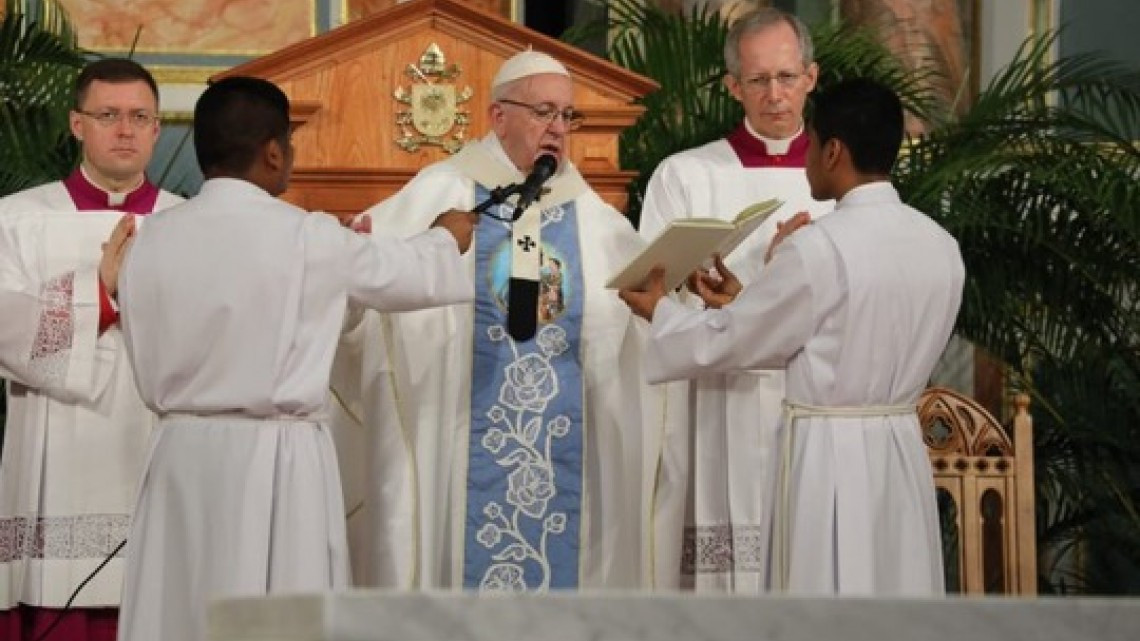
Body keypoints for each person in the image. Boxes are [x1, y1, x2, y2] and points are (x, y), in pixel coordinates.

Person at [113, 76, 477, 641]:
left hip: (179, 457)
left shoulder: (151, 239)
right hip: (274, 460)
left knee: (179, 608)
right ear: (275, 151)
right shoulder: (306, 235)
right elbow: (405, 277)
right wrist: (446, 237)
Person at [339, 49, 669, 591]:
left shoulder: (589, 213)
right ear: (498, 116)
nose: (558, 129)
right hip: (461, 441)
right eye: (544, 112)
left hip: (562, 459)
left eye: (567, 116)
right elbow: (367, 282)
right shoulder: (442, 192)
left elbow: (637, 306)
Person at [620, 78, 962, 596]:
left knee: (821, 595)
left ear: (833, 152)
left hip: (826, 453)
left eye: (812, 147)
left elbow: (731, 341)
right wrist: (746, 303)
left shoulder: (817, 246)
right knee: (895, 589)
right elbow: (841, 332)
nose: (803, 163)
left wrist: (661, 312)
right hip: (898, 447)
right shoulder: (940, 245)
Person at [637, 7, 832, 591]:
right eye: (757, 80)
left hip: (810, 397)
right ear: (732, 87)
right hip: (715, 401)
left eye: (786, 77)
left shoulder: (842, 180)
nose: (774, 95)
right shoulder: (685, 175)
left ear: (811, 77)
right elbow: (647, 291)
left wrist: (789, 272)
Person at [0, 58, 181, 641]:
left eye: (139, 117)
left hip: (160, 443)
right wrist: (97, 291)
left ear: (158, 128)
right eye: (108, 115)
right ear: (78, 125)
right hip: (55, 450)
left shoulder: (193, 222)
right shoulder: (19, 219)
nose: (124, 129)